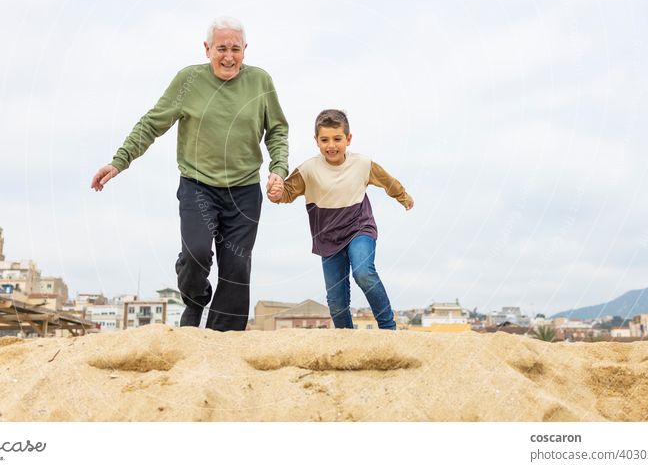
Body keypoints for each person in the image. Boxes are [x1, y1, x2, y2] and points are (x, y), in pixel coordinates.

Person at [91, 17, 288, 331]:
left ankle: (222, 340)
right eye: (221, 48)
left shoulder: (260, 82)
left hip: (244, 190)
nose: (228, 56)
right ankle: (196, 301)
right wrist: (119, 161)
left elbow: (277, 130)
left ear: (245, 50)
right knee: (196, 254)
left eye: (235, 49)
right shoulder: (189, 81)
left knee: (236, 266)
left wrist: (279, 170)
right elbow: (152, 123)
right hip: (198, 185)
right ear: (207, 48)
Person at [268, 109, 412, 330]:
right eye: (324, 140)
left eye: (337, 139)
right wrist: (276, 194)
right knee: (336, 301)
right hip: (328, 238)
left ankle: (388, 329)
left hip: (359, 229)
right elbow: (287, 192)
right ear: (316, 141)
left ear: (348, 138)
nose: (331, 145)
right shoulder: (308, 169)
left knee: (363, 273)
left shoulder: (362, 164)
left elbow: (387, 181)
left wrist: (402, 196)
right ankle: (346, 336)